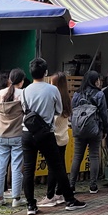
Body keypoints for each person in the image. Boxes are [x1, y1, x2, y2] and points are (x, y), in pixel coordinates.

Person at [20, 58, 85, 214]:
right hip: (46, 134)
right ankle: (69, 200)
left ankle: (31, 205)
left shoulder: (25, 90)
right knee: (57, 167)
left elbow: (24, 109)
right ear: (46, 73)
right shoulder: (52, 90)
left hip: (27, 132)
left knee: (28, 169)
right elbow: (58, 109)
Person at [68, 70, 107, 195]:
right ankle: (93, 186)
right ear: (95, 81)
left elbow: (72, 111)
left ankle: (71, 185)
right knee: (94, 156)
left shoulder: (77, 94)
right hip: (95, 129)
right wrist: (105, 128)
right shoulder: (99, 94)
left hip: (79, 128)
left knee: (77, 157)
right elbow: (104, 113)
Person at [0, 69, 26, 208]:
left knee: (1, 166)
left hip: (0, 134)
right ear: (21, 81)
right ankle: (16, 198)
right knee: (16, 167)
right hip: (17, 134)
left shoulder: (0, 93)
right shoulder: (22, 94)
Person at [41, 72, 72, 207]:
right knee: (60, 166)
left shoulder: (54, 97)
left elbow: (52, 118)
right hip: (64, 136)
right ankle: (60, 193)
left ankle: (50, 196)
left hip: (54, 137)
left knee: (52, 167)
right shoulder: (66, 98)